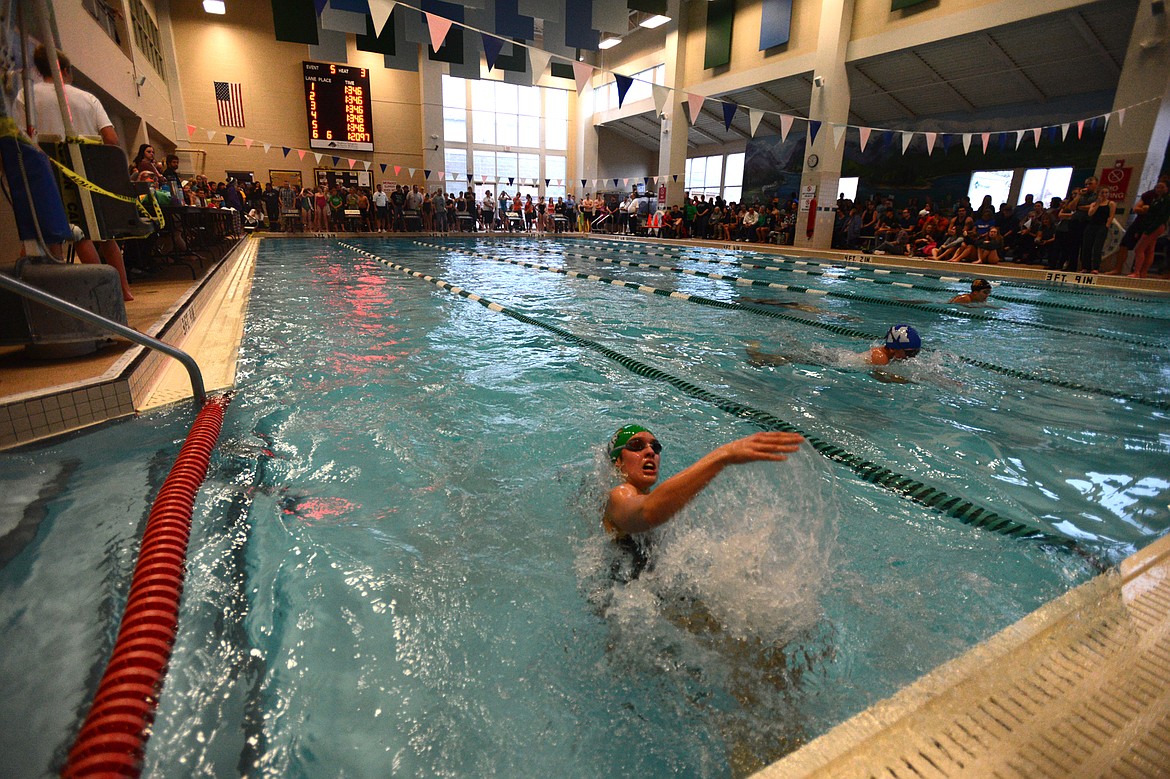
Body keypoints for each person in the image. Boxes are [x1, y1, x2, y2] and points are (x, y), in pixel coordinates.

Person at [14, 45, 135, 301]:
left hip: (47, 177)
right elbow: (111, 139)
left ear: (37, 69)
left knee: (56, 234)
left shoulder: (26, 96)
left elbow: (20, 138)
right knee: (100, 232)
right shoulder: (87, 99)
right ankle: (123, 290)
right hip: (88, 177)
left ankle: (58, 296)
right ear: (66, 71)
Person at [602, 425, 804, 575]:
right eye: (637, 446)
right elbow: (647, 512)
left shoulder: (652, 496)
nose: (650, 452)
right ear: (618, 461)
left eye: (655, 447)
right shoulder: (618, 495)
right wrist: (722, 456)